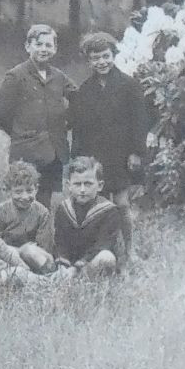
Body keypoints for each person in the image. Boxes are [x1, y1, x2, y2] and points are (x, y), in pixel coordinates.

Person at [67, 31, 151, 255]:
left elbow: (140, 121)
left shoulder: (129, 85)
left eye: (106, 56)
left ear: (114, 55)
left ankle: (130, 251)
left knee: (122, 204)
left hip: (121, 154)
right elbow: (79, 129)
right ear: (89, 60)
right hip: (96, 156)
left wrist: (136, 152)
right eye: (96, 58)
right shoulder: (84, 91)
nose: (102, 62)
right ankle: (105, 250)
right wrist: (79, 159)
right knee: (100, 206)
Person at [0, 23, 76, 207]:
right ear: (28, 46)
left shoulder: (59, 77)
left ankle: (41, 235)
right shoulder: (15, 76)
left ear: (55, 49)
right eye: (38, 44)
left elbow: (79, 100)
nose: (43, 49)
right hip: (26, 150)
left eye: (48, 45)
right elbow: (2, 113)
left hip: (53, 151)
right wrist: (21, 133)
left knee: (44, 200)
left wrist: (64, 125)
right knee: (23, 197)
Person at [52, 156, 125, 275]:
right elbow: (60, 242)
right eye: (77, 184)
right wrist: (63, 265)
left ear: (100, 186)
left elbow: (102, 245)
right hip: (69, 266)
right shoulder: (63, 208)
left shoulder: (109, 211)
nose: (82, 190)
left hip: (92, 263)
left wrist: (77, 268)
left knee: (106, 257)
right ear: (69, 185)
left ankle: (82, 278)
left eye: (88, 184)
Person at [0, 161, 58, 274]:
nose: (25, 197)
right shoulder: (0, 213)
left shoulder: (42, 212)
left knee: (30, 251)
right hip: (8, 256)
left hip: (35, 257)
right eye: (18, 192)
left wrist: (27, 251)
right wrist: (19, 251)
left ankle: (48, 277)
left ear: (36, 189)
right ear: (8, 192)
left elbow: (45, 247)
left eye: (29, 191)